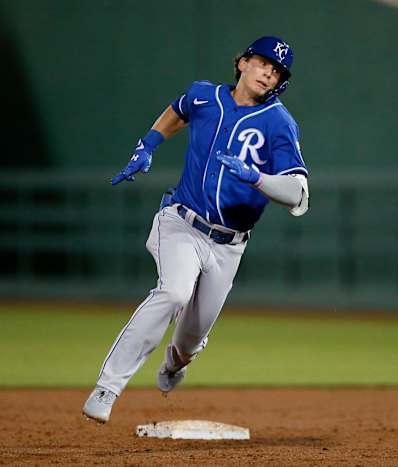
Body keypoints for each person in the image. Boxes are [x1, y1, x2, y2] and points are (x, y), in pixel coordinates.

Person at [82, 36, 309, 423]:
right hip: (181, 222)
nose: (268, 72)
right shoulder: (205, 96)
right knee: (173, 291)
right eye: (262, 62)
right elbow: (178, 111)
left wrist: (257, 177)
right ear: (243, 63)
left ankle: (174, 364)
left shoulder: (278, 123)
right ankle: (108, 386)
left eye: (276, 71)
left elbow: (298, 194)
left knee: (188, 340)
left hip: (229, 246)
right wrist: (148, 145)